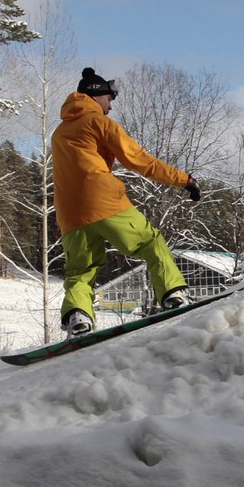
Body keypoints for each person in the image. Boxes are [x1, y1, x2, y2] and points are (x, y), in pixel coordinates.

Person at [51, 67, 201, 337]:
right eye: (110, 99)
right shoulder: (100, 123)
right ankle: (173, 294)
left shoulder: (60, 132)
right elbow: (139, 160)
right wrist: (184, 180)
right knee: (150, 241)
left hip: (69, 213)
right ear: (97, 96)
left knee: (81, 269)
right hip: (103, 201)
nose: (110, 106)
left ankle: (78, 315)